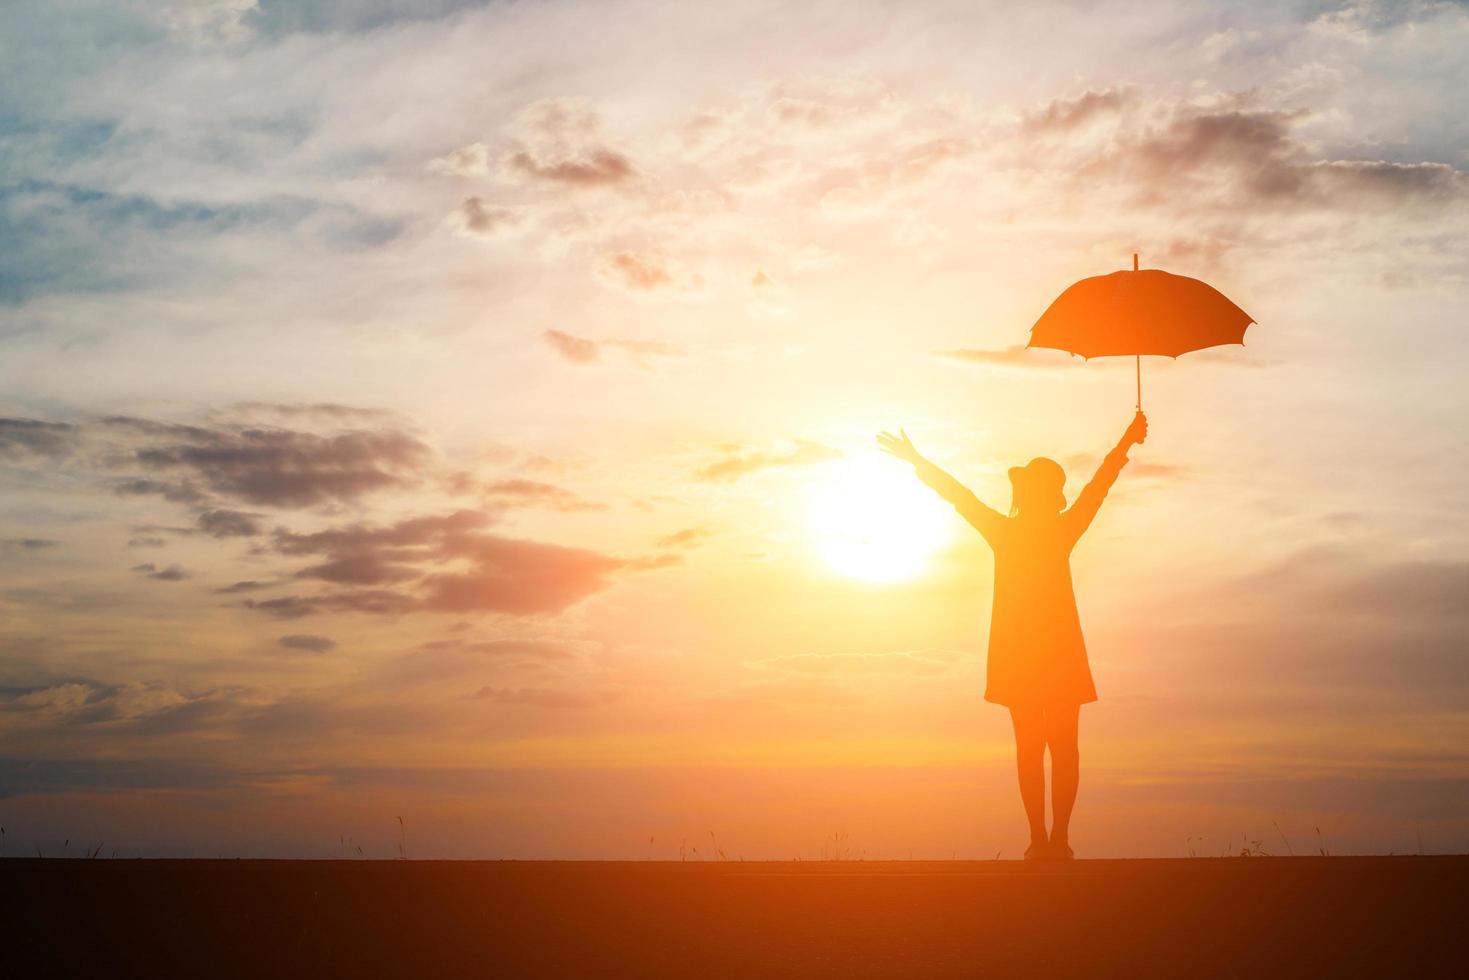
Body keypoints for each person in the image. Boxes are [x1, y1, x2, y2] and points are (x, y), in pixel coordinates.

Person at [878, 410, 1148, 859]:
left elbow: (958, 496)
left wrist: (917, 460)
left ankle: (1043, 839)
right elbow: (1100, 482)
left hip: (1023, 653)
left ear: (1030, 492)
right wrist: (1126, 442)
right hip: (1054, 652)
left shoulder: (1008, 531)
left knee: (1035, 748)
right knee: (1062, 749)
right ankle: (1053, 838)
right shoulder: (1057, 529)